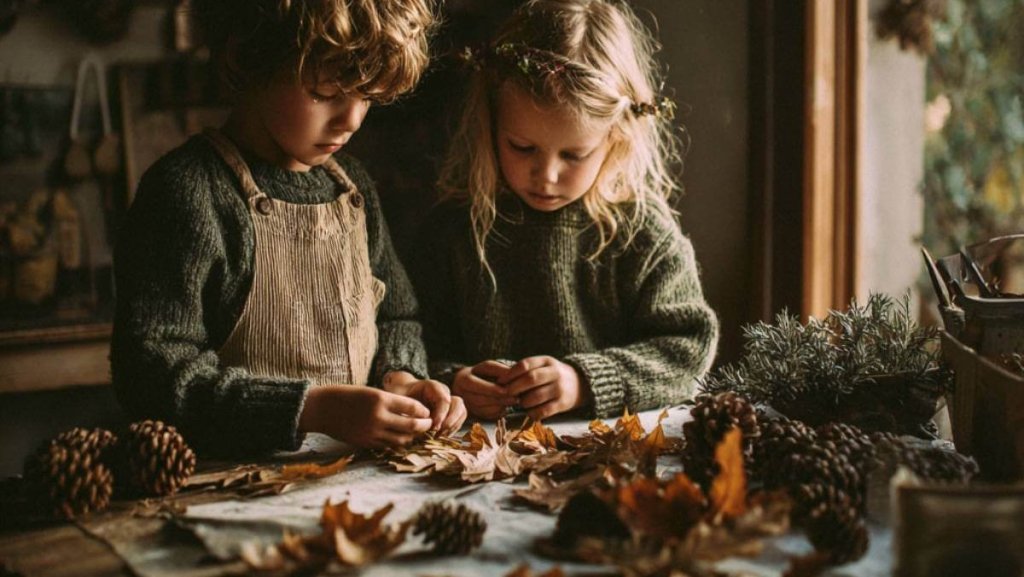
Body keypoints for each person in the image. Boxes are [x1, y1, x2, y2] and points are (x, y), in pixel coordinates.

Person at [111, 0, 466, 455]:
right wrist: (309, 410)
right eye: (325, 93)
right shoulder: (187, 192)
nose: (352, 120)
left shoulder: (352, 187)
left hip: (354, 474)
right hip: (225, 486)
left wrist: (401, 376)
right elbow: (150, 374)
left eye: (367, 96)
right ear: (246, 58)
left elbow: (398, 315)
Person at [414, 0, 719, 422]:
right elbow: (411, 340)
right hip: (472, 453)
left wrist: (584, 381)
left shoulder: (643, 235)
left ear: (616, 138)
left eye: (574, 155)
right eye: (522, 148)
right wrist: (452, 380)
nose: (546, 175)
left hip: (603, 453)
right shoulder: (455, 226)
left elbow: (687, 352)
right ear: (490, 123)